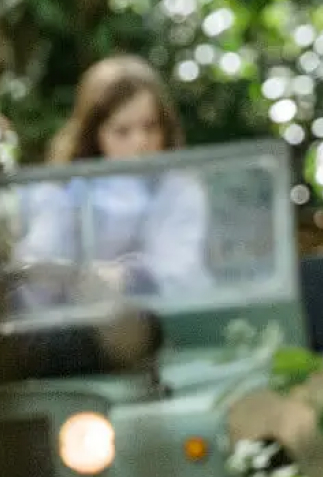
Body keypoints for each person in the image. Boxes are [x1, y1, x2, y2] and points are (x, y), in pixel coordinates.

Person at [18, 55, 207, 299]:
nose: (140, 142)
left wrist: (124, 279)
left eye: (150, 127)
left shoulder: (179, 189)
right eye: (122, 131)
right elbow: (39, 264)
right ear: (95, 135)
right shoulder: (61, 189)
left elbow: (181, 272)